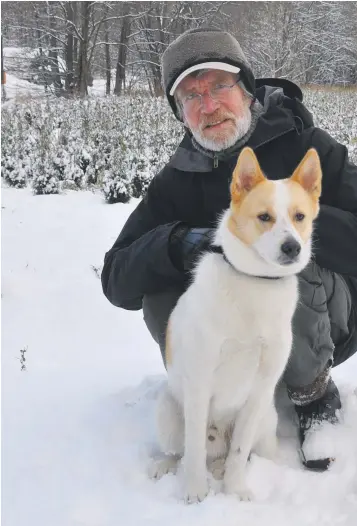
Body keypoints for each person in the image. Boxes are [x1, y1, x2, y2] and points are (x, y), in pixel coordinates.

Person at [102, 27, 357, 470]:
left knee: (277, 264)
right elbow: (116, 280)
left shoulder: (308, 147)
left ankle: (311, 393)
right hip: (230, 344)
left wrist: (293, 225)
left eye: (219, 86)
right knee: (161, 291)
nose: (209, 106)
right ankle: (210, 400)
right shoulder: (177, 180)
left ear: (247, 90)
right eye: (190, 96)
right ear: (180, 114)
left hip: (327, 317)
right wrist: (179, 244)